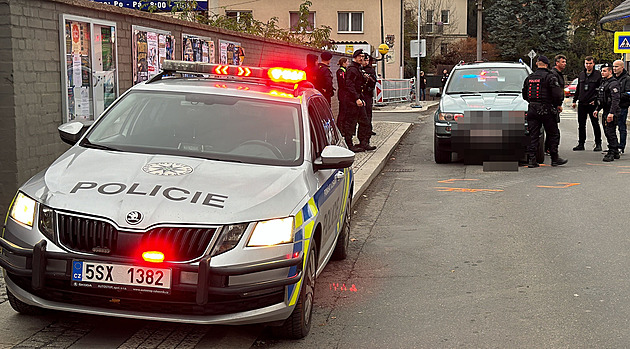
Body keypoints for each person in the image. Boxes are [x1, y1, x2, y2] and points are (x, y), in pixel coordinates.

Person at [522, 55, 567, 167]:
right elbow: (557, 94)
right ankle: (554, 158)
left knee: (533, 135)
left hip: (532, 109)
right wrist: (557, 105)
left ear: (537, 63)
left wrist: (533, 102)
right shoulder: (550, 77)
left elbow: (524, 94)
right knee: (553, 134)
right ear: (547, 64)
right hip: (547, 109)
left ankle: (532, 160)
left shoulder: (530, 77)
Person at [343, 49, 374, 152]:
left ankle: (363, 142)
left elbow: (359, 86)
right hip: (352, 100)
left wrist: (361, 98)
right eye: (360, 56)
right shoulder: (352, 69)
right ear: (355, 57)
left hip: (359, 98)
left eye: (362, 56)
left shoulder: (358, 68)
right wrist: (356, 98)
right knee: (351, 122)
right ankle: (349, 144)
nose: (362, 58)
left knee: (365, 121)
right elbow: (349, 85)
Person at [571, 56, 602, 151]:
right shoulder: (581, 74)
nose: (588, 65)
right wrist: (574, 100)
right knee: (581, 124)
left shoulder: (598, 75)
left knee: (595, 124)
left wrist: (597, 101)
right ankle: (581, 143)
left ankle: (598, 143)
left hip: (592, 103)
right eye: (586, 63)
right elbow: (578, 88)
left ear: (593, 64)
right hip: (582, 103)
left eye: (590, 63)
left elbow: (600, 89)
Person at [594, 63, 621, 162]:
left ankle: (612, 151)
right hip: (605, 109)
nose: (602, 73)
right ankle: (615, 151)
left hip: (611, 111)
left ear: (610, 72)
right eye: (602, 71)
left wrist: (611, 113)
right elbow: (602, 98)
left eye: (605, 71)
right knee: (607, 131)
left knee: (610, 132)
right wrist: (597, 109)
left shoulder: (613, 83)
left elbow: (615, 100)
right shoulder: (604, 82)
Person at [545, 54, 567, 154]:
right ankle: (550, 149)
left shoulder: (559, 74)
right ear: (557, 63)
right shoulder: (553, 74)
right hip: (552, 105)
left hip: (555, 104)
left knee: (552, 127)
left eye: (565, 62)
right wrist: (558, 104)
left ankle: (548, 148)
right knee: (552, 129)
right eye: (562, 62)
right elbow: (555, 91)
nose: (565, 64)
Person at [612, 59, 630, 154]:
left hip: (622, 106)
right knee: (611, 127)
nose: (614, 68)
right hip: (612, 107)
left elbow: (628, 93)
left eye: (616, 66)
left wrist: (616, 96)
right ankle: (613, 145)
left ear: (622, 67)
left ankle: (621, 146)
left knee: (621, 127)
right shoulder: (612, 78)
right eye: (613, 66)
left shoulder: (627, 79)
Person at [361, 54, 377, 136]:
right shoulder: (359, 69)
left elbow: (374, 81)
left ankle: (369, 129)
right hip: (361, 94)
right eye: (365, 60)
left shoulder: (370, 70)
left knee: (368, 113)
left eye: (367, 60)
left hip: (368, 94)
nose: (366, 62)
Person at [336, 57, 349, 133]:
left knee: (346, 111)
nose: (348, 63)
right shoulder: (340, 71)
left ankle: (344, 128)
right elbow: (343, 83)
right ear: (343, 63)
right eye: (347, 62)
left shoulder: (345, 70)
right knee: (342, 111)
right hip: (343, 93)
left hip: (345, 93)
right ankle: (340, 128)